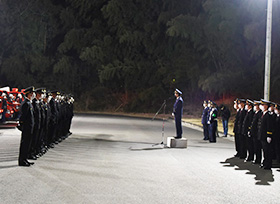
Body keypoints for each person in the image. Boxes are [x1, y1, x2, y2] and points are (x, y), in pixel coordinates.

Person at [18, 86, 35, 167]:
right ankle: (22, 160)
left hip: (29, 127)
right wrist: (22, 125)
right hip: (27, 127)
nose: (32, 95)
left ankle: (25, 159)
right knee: (24, 144)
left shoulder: (29, 103)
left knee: (27, 144)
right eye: (31, 93)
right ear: (28, 94)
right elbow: (23, 117)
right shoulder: (26, 104)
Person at [258, 99, 273, 170]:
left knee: (267, 151)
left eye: (263, 105)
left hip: (266, 136)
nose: (261, 106)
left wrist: (269, 135)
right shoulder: (263, 114)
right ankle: (264, 162)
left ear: (266, 106)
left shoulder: (268, 115)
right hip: (262, 135)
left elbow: (269, 126)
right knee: (264, 150)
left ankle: (268, 164)